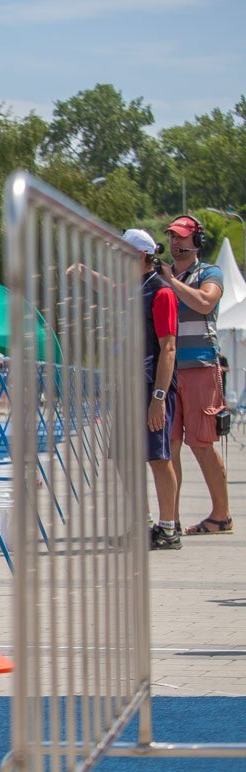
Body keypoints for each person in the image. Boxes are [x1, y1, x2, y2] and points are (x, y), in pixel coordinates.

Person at [156, 215, 232, 535]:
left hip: (201, 365)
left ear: (197, 241)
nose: (176, 243)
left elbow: (204, 303)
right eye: (173, 237)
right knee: (169, 445)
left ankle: (221, 516)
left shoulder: (209, 272)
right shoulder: (162, 275)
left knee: (201, 443)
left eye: (183, 237)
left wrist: (171, 281)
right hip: (170, 371)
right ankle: (169, 521)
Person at [123, 229, 182, 550]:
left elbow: (168, 347)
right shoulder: (132, 290)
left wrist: (159, 397)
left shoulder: (161, 293)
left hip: (150, 386)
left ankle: (168, 528)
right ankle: (142, 524)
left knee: (158, 457)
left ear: (141, 256)